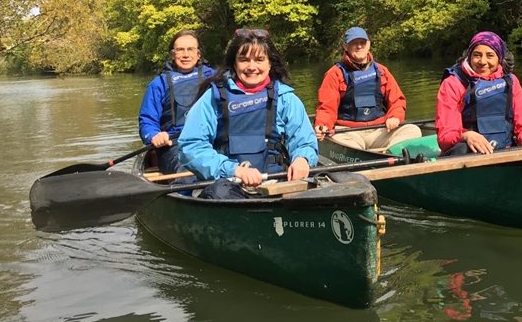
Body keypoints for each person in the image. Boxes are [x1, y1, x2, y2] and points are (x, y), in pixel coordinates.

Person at [178, 29, 318, 199]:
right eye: (244, 60)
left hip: (274, 183)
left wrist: (302, 158)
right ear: (234, 64)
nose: (252, 67)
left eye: (259, 60)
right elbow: (191, 147)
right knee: (220, 193)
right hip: (226, 184)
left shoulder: (286, 99)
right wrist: (234, 170)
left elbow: (304, 142)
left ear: (269, 63)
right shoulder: (212, 98)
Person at [436, 31, 522, 156]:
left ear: (499, 58)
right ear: (469, 56)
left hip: (506, 149)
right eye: (477, 55)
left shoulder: (511, 81)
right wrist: (465, 135)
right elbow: (445, 136)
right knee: (462, 149)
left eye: (490, 55)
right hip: (471, 152)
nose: (483, 61)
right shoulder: (453, 83)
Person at [313, 26, 423, 152]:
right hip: (348, 132)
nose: (359, 46)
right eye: (354, 43)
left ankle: (388, 153)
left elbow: (397, 100)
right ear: (345, 46)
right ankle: (375, 155)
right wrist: (323, 125)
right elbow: (326, 108)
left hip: (380, 129)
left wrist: (395, 117)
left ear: (368, 44)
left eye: (362, 43)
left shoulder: (382, 71)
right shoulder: (335, 74)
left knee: (413, 130)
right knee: (350, 147)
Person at [138, 30, 216, 174]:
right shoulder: (158, 84)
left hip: (211, 140)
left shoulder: (215, 78)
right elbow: (147, 122)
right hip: (175, 145)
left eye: (190, 49)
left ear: (199, 54)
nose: (186, 55)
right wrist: (154, 135)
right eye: (180, 50)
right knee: (187, 173)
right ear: (173, 55)